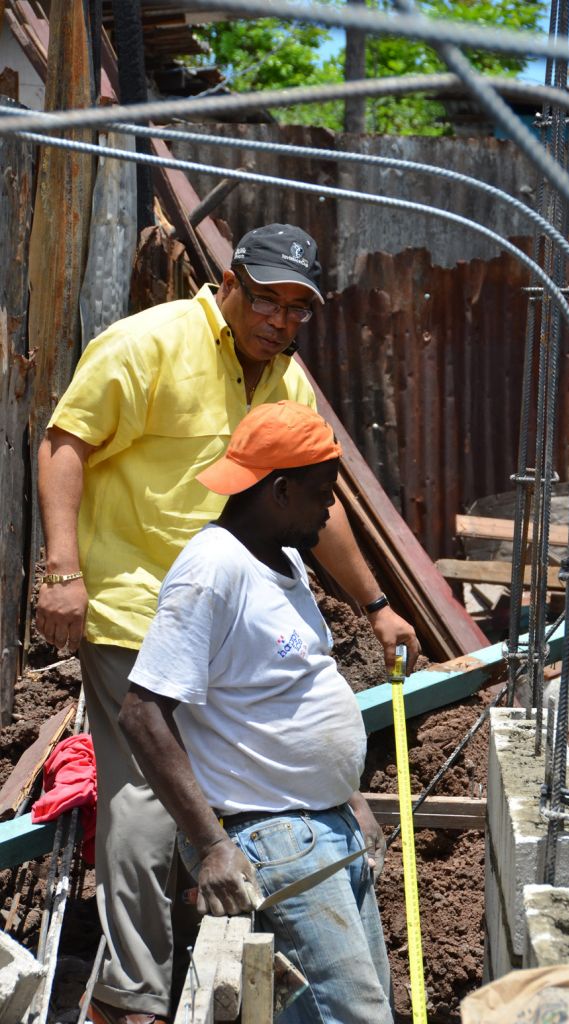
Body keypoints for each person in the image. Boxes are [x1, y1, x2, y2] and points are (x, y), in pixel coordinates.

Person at [35, 223, 418, 1024]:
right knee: (144, 795)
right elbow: (64, 442)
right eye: (269, 300)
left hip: (237, 617)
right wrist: (63, 572)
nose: (280, 321)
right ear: (231, 280)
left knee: (221, 791)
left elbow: (321, 499)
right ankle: (133, 996)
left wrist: (377, 605)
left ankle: (212, 942)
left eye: (297, 309)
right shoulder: (149, 344)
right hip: (142, 602)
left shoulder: (286, 380)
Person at [119, 400, 394, 1024]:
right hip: (273, 836)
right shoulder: (212, 572)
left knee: (354, 1004)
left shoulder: (284, 558)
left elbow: (287, 690)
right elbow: (142, 713)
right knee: (355, 1016)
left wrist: (347, 796)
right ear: (279, 489)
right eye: (322, 493)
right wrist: (211, 845)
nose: (331, 509)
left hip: (323, 826)